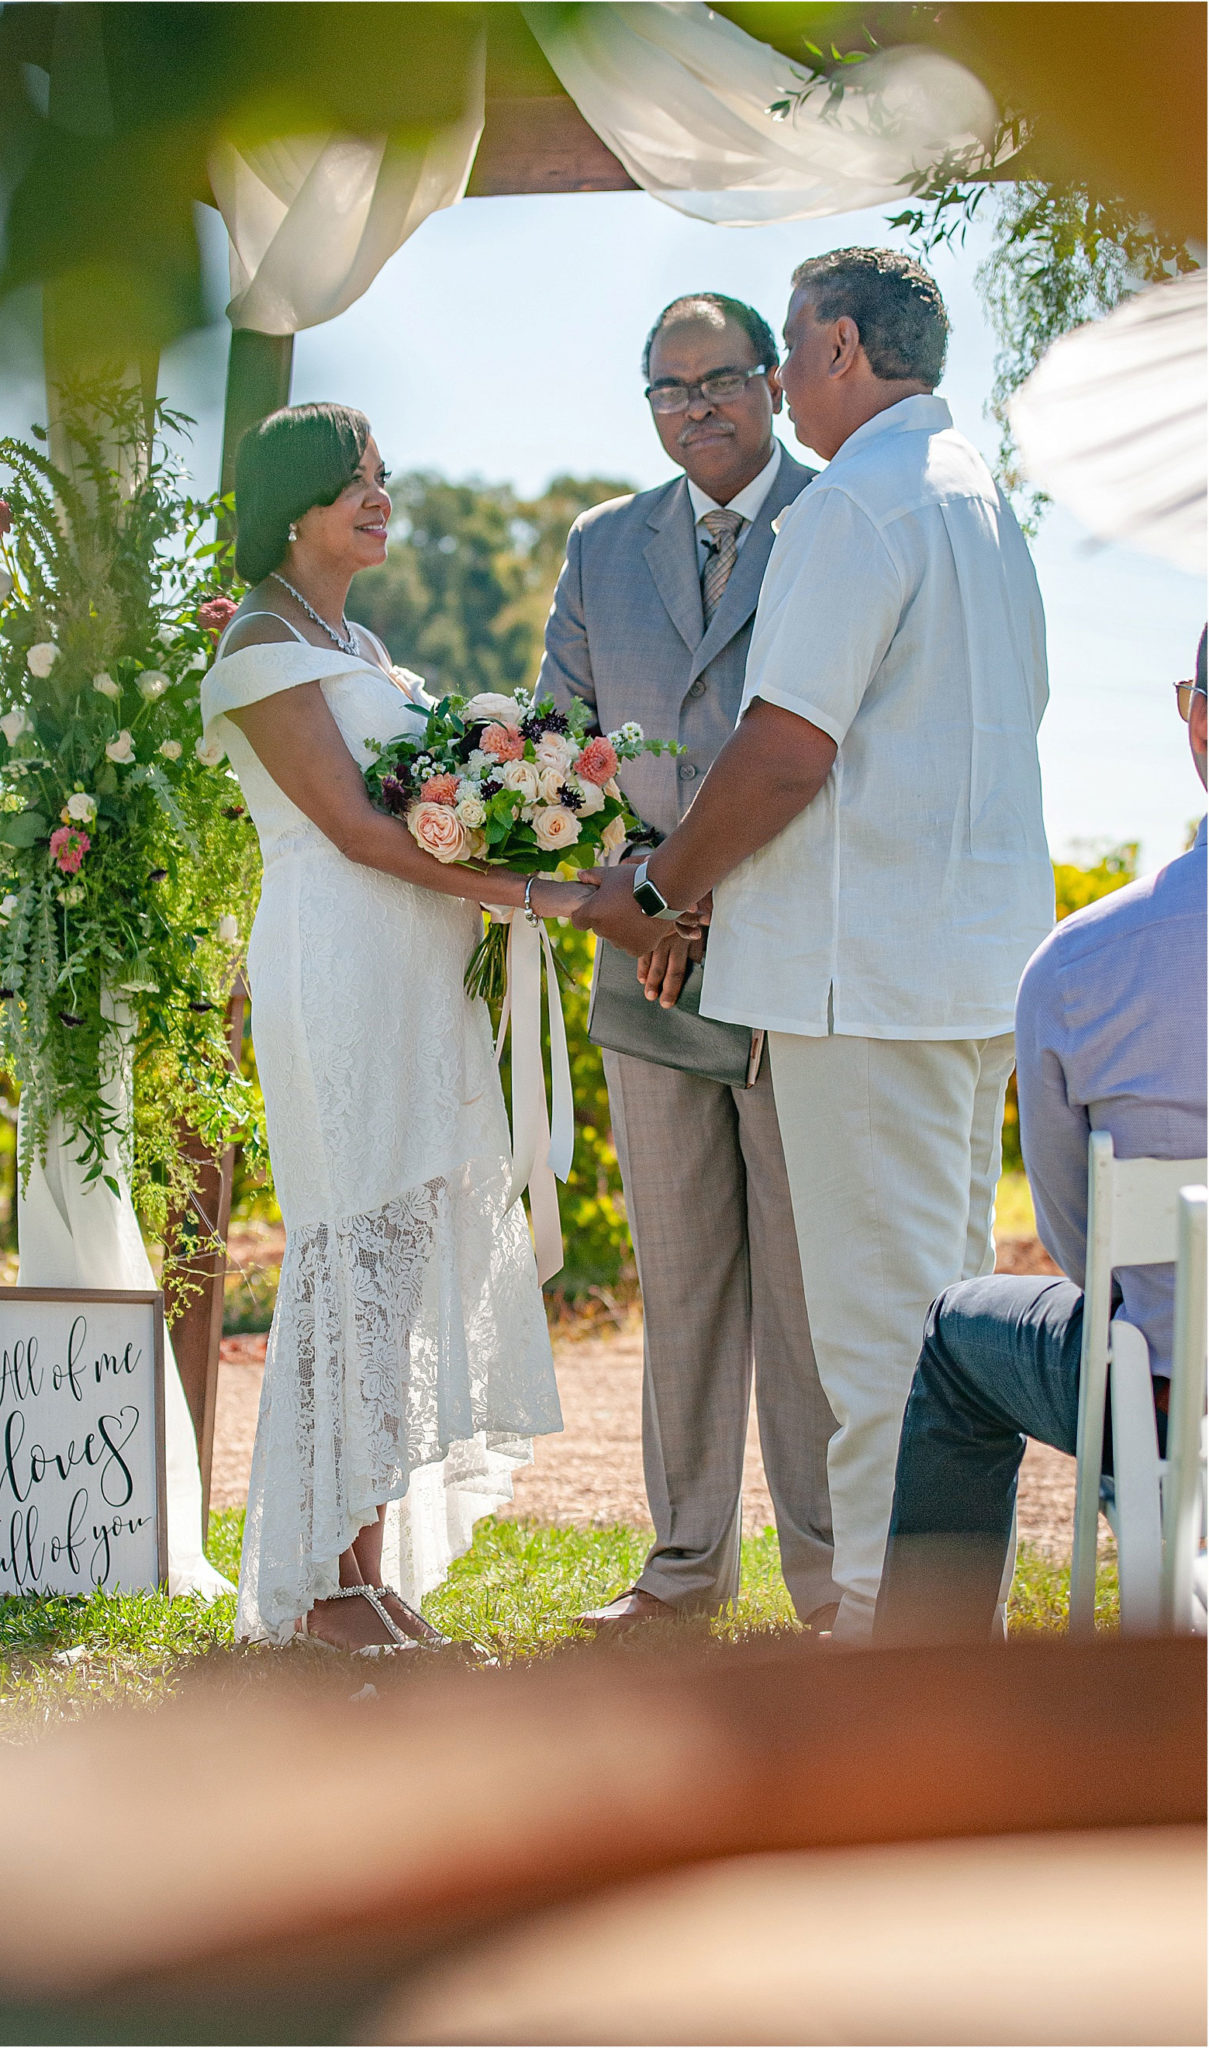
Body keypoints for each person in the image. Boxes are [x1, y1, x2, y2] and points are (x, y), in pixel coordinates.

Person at [576, 249, 1054, 1643]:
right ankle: (933, 1634)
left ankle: (878, 1642)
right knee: (943, 1328)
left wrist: (662, 890)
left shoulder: (855, 505)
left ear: (840, 346)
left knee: (875, 1343)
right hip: (962, 980)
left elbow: (785, 749)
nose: (778, 382)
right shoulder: (979, 501)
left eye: (785, 351)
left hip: (863, 988)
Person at [203, 404, 581, 1653]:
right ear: (294, 503)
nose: (377, 496)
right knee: (346, 1254)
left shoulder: (352, 639)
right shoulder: (258, 642)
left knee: (398, 1265)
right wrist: (548, 894)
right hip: (337, 965)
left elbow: (424, 813)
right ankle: (316, 1590)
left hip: (418, 976)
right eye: (352, 480)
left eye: (381, 477)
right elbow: (365, 832)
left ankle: (364, 1570)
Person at [536, 292, 837, 1633]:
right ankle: (681, 1574)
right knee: (685, 1282)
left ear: (771, 384)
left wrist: (698, 888)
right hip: (641, 964)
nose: (696, 405)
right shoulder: (602, 549)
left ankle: (831, 1578)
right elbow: (559, 745)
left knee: (806, 1286)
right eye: (668, 387)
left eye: (720, 378)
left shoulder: (843, 517)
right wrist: (631, 905)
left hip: (796, 947)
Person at [875, 636, 1209, 1642]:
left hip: (1163, 1382)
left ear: (1196, 718)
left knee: (958, 1330)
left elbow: (1081, 1240)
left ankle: (925, 1704)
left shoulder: (1079, 963)